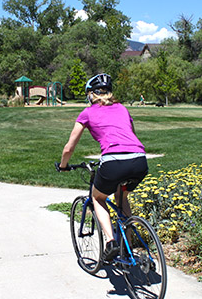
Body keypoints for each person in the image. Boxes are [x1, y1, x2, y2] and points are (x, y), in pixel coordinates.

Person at [57, 73, 148, 262]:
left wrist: (63, 166)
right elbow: (131, 134)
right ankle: (128, 246)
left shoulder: (87, 112)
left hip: (113, 160)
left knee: (98, 198)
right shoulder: (122, 108)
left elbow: (69, 147)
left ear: (90, 94)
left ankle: (110, 242)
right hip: (139, 159)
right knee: (121, 197)